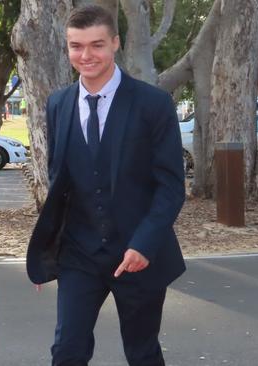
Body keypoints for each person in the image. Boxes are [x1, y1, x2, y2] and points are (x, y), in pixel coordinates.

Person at [26, 5, 186, 366]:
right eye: (76, 46)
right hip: (78, 254)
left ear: (115, 43)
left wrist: (144, 245)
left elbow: (171, 186)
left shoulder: (153, 103)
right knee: (67, 350)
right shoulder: (58, 104)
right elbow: (59, 183)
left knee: (142, 352)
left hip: (137, 255)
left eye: (96, 45)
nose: (86, 55)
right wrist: (46, 248)